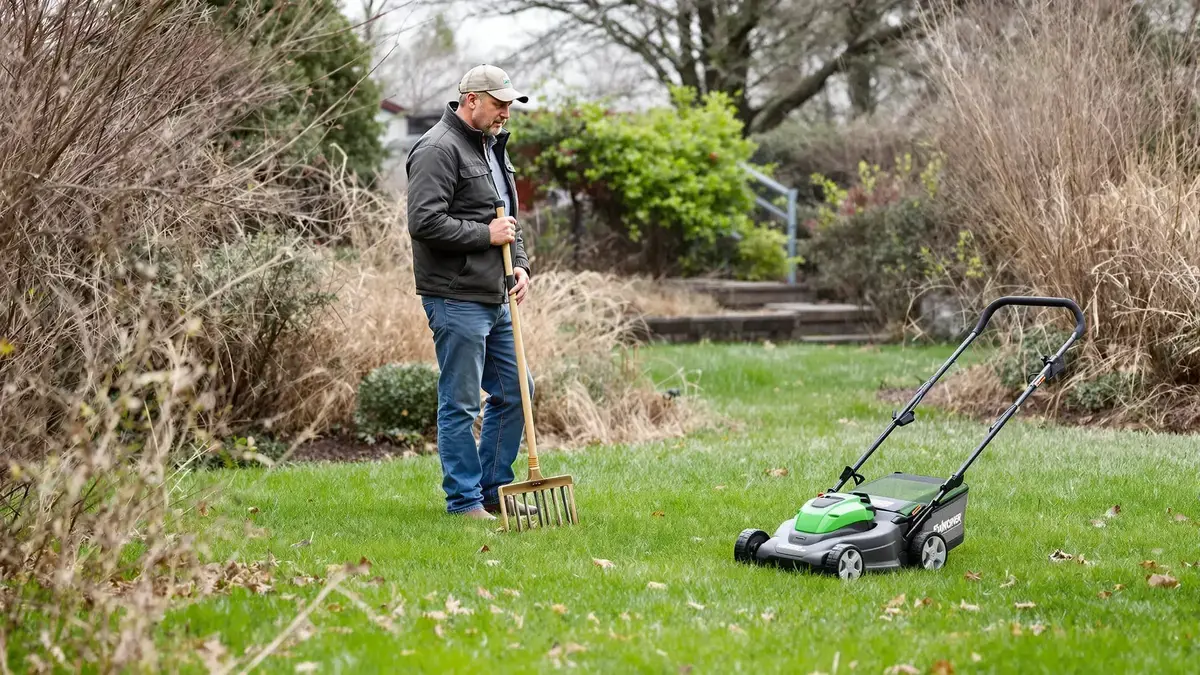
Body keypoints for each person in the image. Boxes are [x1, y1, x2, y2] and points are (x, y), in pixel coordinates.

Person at [405, 64, 539, 521]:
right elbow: (424, 223)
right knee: (459, 402)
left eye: (509, 105)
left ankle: (493, 492)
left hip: (496, 294)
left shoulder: (492, 148)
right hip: (455, 296)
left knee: (518, 390)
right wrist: (486, 236)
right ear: (472, 100)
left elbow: (506, 219)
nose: (506, 112)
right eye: (499, 103)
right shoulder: (437, 149)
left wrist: (519, 263)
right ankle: (463, 503)